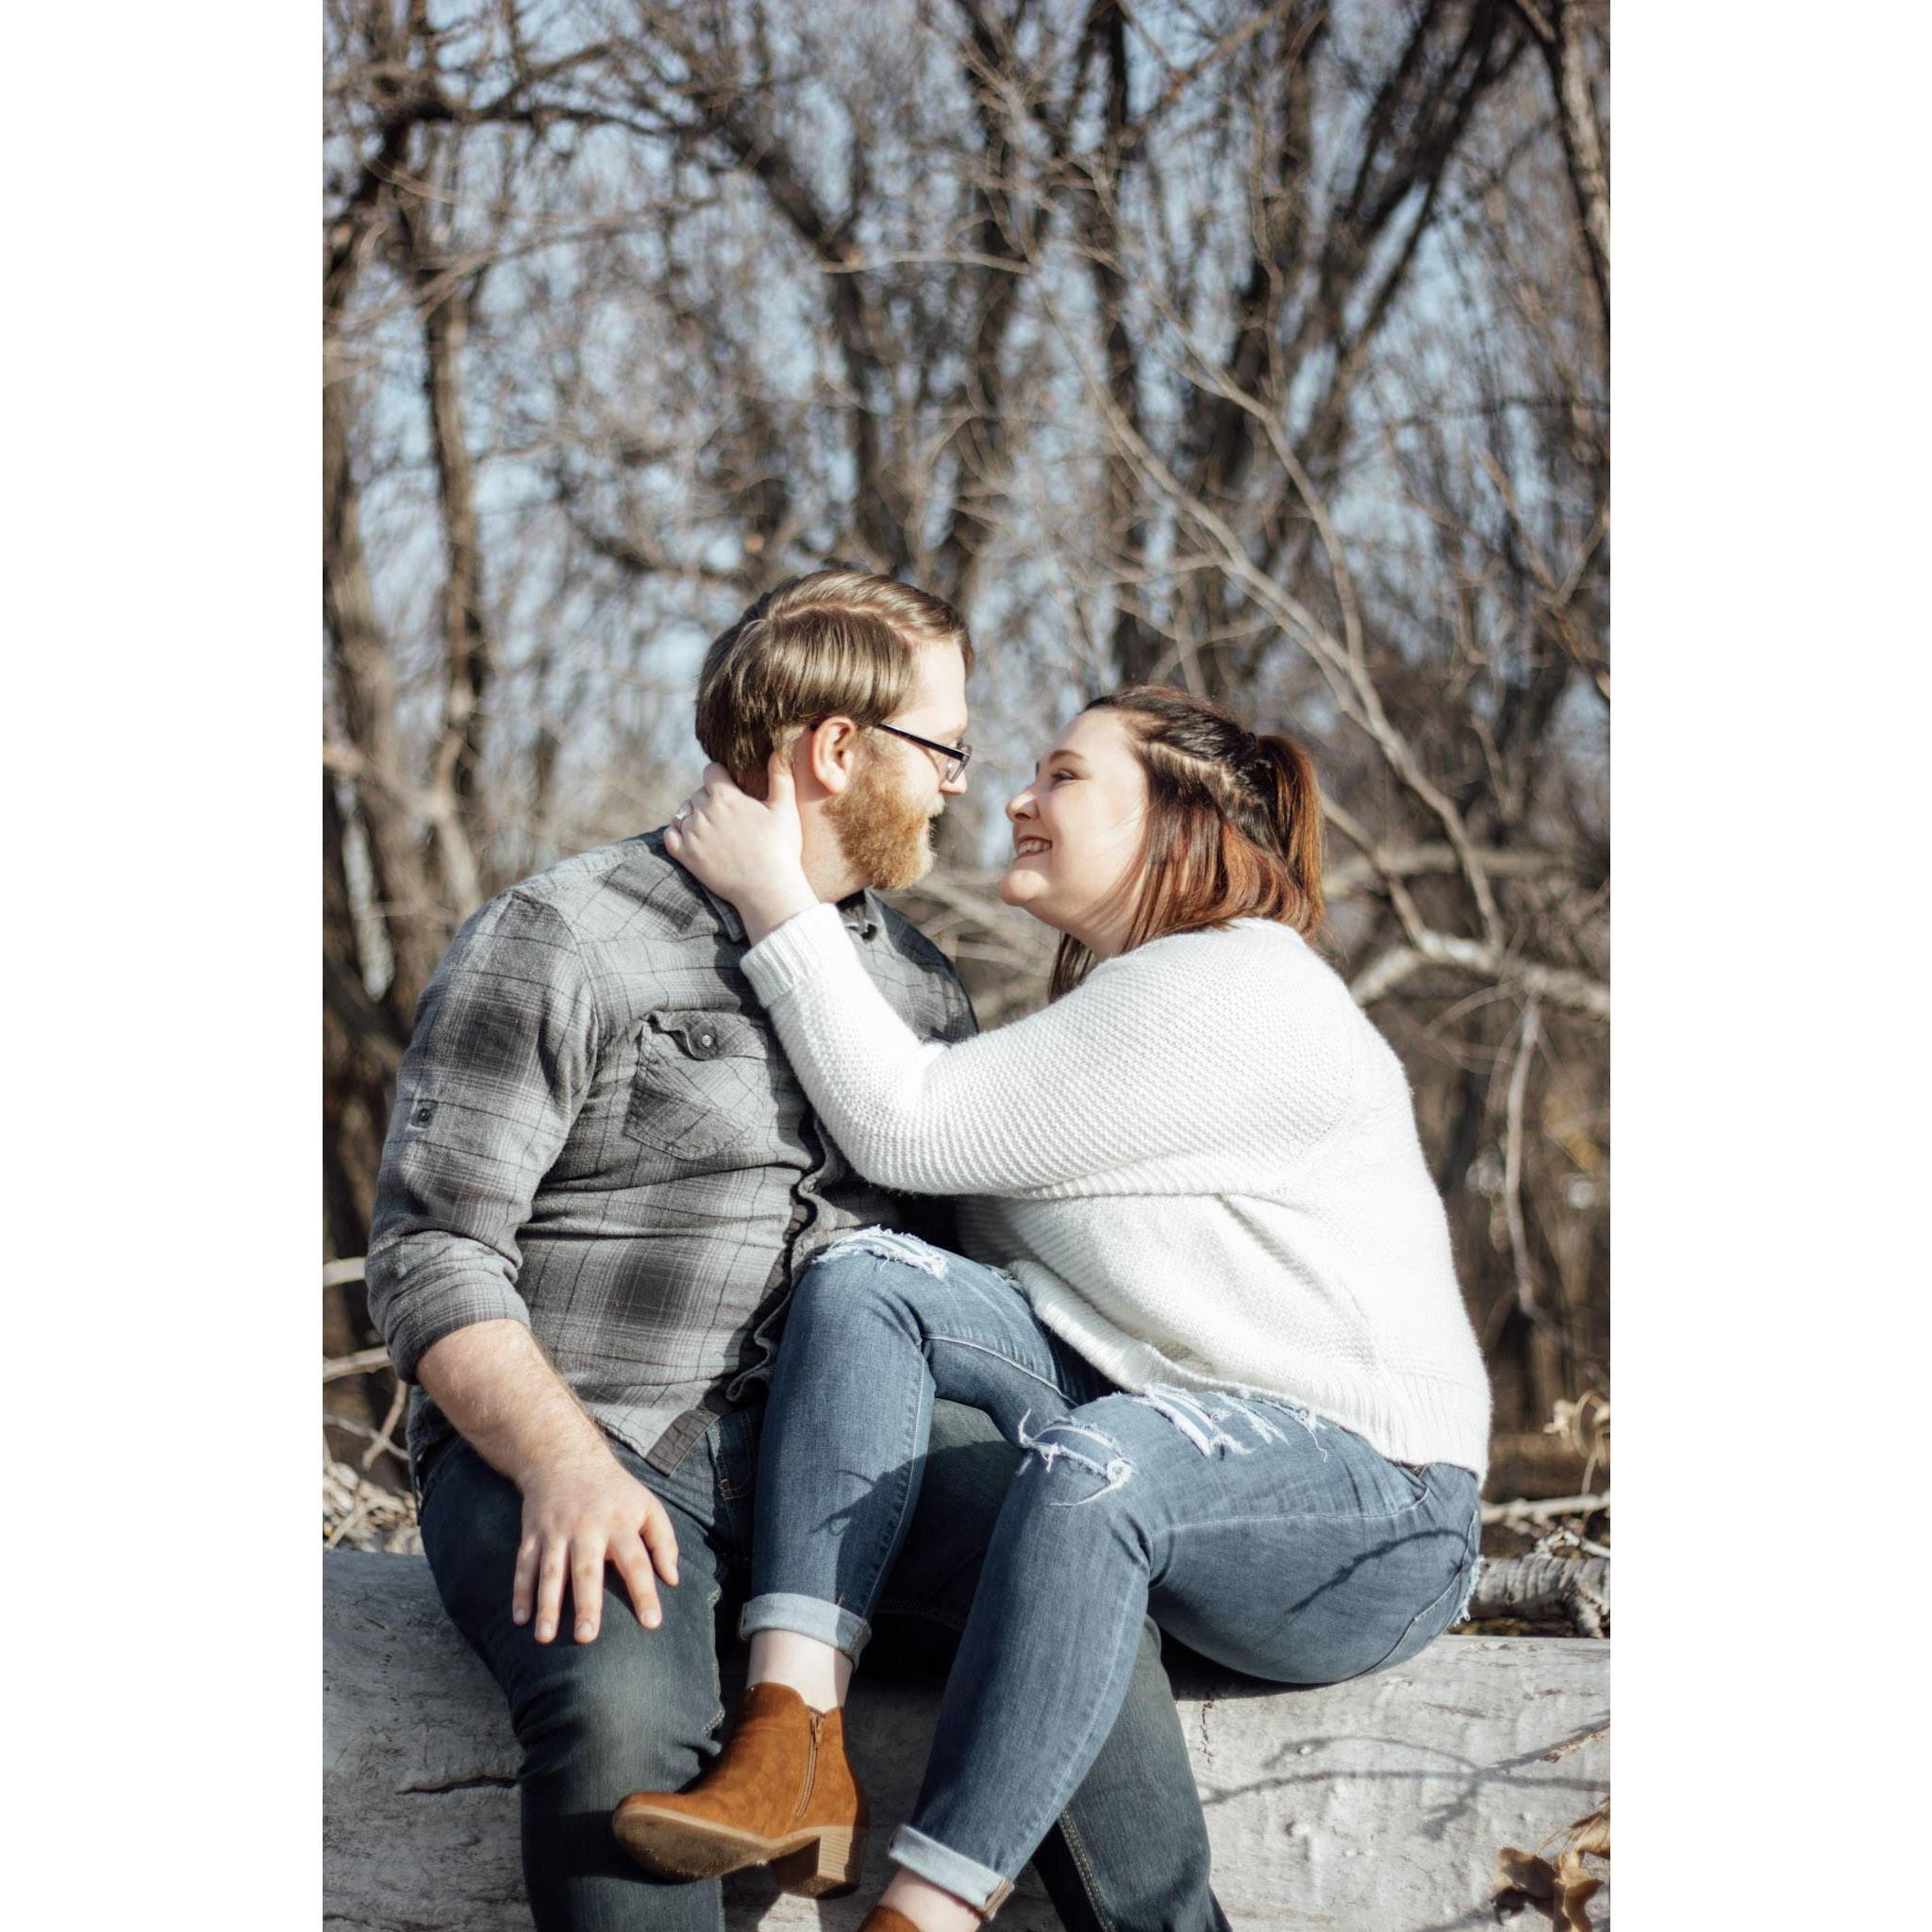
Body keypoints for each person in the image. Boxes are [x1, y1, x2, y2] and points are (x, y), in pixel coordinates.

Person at [364, 574, 1231, 1932]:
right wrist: (561, 1463)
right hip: (603, 1434)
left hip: (842, 1471)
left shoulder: (918, 987)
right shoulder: (566, 933)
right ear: (838, 750)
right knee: (621, 1713)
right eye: (944, 748)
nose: (960, 787)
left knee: (1067, 1569)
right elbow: (432, 1250)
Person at [612, 685, 1492, 1932]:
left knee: (1093, 1468)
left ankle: (925, 1912)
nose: (1018, 799)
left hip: (1374, 1509)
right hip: (1166, 1435)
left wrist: (773, 896)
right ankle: (793, 1739)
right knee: (872, 1282)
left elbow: (907, 1123)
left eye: (1065, 776)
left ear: (1177, 818)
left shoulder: (1235, 988)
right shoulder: (1125, 1006)